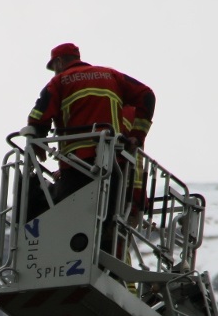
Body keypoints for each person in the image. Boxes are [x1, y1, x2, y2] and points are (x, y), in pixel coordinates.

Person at [22, 43, 155, 203]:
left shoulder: (59, 82)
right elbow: (147, 96)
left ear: (59, 62)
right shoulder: (111, 75)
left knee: (70, 215)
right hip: (113, 162)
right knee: (106, 216)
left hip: (76, 164)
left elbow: (37, 116)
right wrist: (137, 136)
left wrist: (38, 145)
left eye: (54, 68)